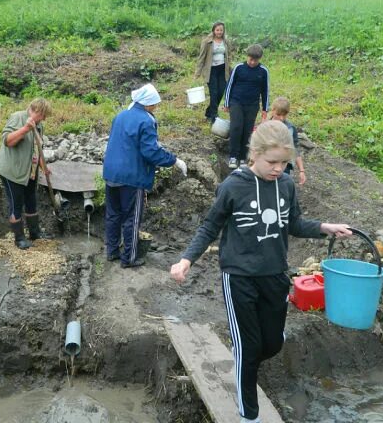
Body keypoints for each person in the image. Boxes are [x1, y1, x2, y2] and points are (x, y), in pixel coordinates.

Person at [169, 121, 351, 423]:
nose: (278, 168)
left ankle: (245, 352)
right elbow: (210, 226)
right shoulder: (232, 187)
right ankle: (249, 415)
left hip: (275, 275)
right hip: (239, 276)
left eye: (284, 162)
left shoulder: (286, 185)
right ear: (254, 154)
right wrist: (187, 259)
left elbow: (294, 223)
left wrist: (324, 227)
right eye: (272, 162)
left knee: (273, 344)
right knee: (249, 351)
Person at [103, 83, 187, 268]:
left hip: (111, 172)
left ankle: (112, 251)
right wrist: (174, 160)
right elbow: (150, 152)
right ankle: (129, 258)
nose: (156, 107)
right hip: (131, 177)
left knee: (113, 214)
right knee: (131, 218)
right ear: (148, 104)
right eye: (155, 104)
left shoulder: (121, 115)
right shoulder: (146, 121)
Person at [0, 98, 52, 249]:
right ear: (36, 111)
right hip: (12, 171)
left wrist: (43, 167)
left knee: (31, 201)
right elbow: (7, 141)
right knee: (16, 204)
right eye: (43, 115)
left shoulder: (39, 125)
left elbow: (36, 148)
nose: (44, 119)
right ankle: (19, 238)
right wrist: (26, 129)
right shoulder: (18, 117)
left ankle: (35, 233)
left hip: (29, 172)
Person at [224, 44, 269, 169]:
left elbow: (265, 91)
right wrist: (226, 103)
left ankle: (243, 157)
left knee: (247, 130)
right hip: (236, 102)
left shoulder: (263, 71)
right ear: (247, 56)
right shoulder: (238, 68)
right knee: (236, 127)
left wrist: (265, 109)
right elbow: (229, 86)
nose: (252, 62)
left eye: (255, 60)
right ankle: (233, 156)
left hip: (252, 105)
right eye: (250, 59)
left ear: (259, 59)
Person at [195, 21, 232, 124]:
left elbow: (229, 55)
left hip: (223, 69)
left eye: (221, 30)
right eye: (217, 30)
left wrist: (230, 68)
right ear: (213, 30)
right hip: (211, 70)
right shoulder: (207, 42)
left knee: (221, 91)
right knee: (214, 93)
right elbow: (201, 57)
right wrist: (197, 73)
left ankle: (209, 112)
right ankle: (214, 116)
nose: (219, 32)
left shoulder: (226, 41)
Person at [270, 96, 306, 186]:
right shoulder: (265, 126)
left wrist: (301, 170)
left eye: (284, 115)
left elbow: (295, 149)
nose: (281, 118)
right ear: (272, 111)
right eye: (278, 115)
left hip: (284, 165)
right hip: (268, 163)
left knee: (282, 188)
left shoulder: (291, 128)